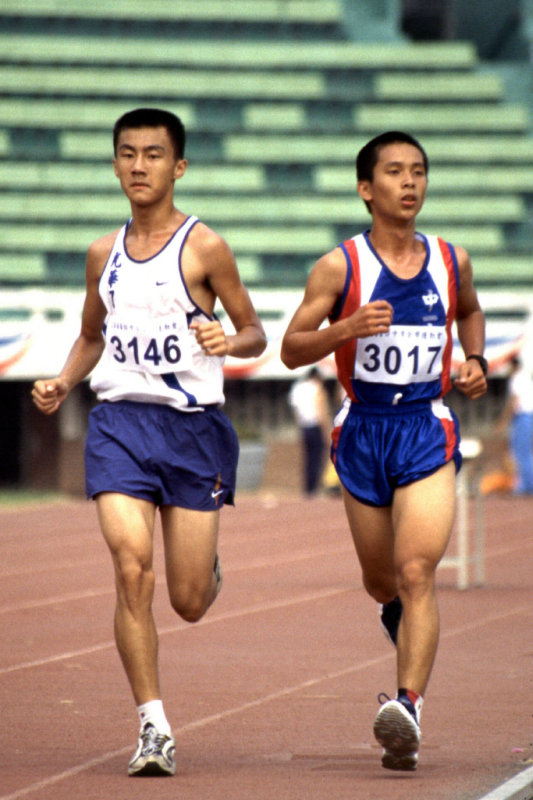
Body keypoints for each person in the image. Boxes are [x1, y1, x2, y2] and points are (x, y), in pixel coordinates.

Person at [32, 108, 266, 777]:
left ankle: (206, 569)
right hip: (119, 428)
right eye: (127, 154)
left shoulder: (205, 248)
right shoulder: (101, 254)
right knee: (131, 568)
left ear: (178, 166)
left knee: (186, 600)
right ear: (114, 164)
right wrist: (62, 380)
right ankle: (153, 727)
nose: (139, 166)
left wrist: (230, 340)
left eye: (154, 155)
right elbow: (91, 334)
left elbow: (253, 331)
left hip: (192, 431)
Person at [280, 131, 487, 771]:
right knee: (382, 581)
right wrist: (346, 327)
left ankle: (408, 707)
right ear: (367, 188)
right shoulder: (341, 266)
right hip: (362, 430)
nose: (409, 182)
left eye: (419, 171)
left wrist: (473, 360)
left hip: (426, 427)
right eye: (394, 172)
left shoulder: (452, 260)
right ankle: (400, 619)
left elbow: (471, 312)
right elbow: (291, 348)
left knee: (418, 569)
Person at [288, 367, 330, 495]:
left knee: (307, 458)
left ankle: (307, 487)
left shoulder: (298, 388)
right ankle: (313, 488)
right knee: (316, 458)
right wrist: (326, 430)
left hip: (304, 426)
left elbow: (295, 410)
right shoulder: (317, 389)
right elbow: (321, 411)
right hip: (315, 425)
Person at [495, 355, 533, 494]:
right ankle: (526, 484)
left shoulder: (517, 378)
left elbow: (513, 402)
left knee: (520, 451)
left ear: (512, 366)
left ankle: (527, 485)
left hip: (523, 416)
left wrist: (503, 422)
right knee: (524, 451)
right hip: (527, 416)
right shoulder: (525, 376)